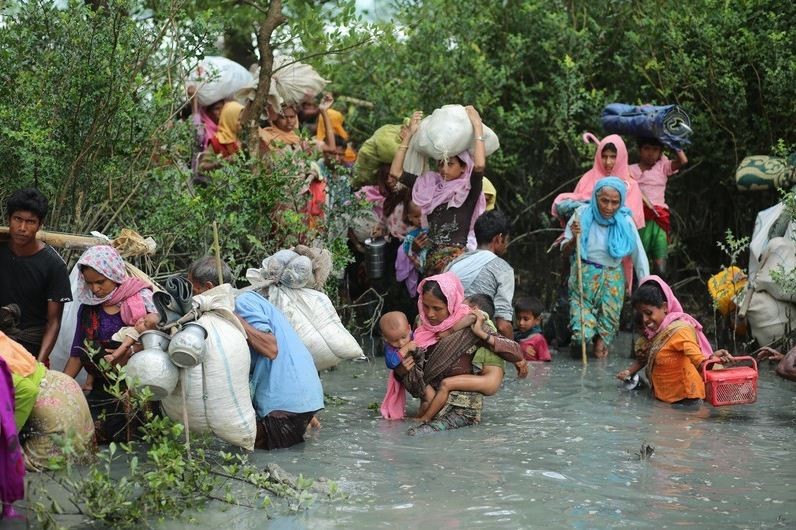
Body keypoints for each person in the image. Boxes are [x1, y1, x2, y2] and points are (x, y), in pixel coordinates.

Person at [187, 257, 324, 450]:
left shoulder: (240, 303)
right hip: (299, 398)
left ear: (208, 286)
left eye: (194, 291)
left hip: (285, 403)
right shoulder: (249, 299)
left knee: (241, 449)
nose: (193, 297)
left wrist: (232, 316)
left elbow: (270, 347)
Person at [63, 245, 159, 442]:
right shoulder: (88, 309)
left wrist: (132, 348)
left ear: (114, 274)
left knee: (138, 443)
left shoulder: (141, 300)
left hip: (139, 390)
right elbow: (77, 353)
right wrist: (59, 386)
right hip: (103, 388)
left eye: (100, 282)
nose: (95, 289)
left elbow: (158, 345)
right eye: (89, 283)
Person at [391, 107, 487, 275]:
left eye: (450, 164)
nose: (443, 169)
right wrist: (408, 137)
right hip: (430, 263)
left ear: (464, 166)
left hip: (456, 266)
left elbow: (479, 165)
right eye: (441, 163)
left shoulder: (468, 190)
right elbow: (396, 173)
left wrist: (477, 127)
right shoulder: (430, 186)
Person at [560, 177, 649, 358]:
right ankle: (578, 353)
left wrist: (646, 284)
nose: (609, 207)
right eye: (604, 201)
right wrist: (574, 239)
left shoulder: (625, 221)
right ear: (595, 197)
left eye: (615, 202)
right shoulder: (581, 215)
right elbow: (564, 250)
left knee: (603, 341)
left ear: (621, 201)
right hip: (583, 278)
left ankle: (598, 378)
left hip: (613, 280)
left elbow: (639, 255)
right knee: (582, 335)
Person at [616, 276, 732, 404]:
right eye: (641, 314)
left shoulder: (680, 330)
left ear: (665, 307)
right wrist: (628, 372)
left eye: (648, 313)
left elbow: (698, 361)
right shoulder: (655, 334)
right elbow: (645, 359)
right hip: (666, 404)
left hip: (686, 404)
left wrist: (713, 361)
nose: (644, 320)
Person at [0, 188, 72, 365]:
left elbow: (53, 322)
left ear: (40, 224)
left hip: (29, 350)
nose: (22, 228)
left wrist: (39, 363)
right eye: (18, 219)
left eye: (30, 222)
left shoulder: (54, 266)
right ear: (8, 219)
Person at [551, 133, 645, 230]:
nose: (608, 162)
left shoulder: (631, 185)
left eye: (613, 157)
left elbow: (633, 222)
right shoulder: (587, 178)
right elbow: (574, 217)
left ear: (622, 157)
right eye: (604, 156)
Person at [446, 209, 515, 338]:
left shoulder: (455, 262)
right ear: (499, 239)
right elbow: (503, 325)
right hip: (474, 338)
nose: (507, 244)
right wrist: (515, 354)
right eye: (507, 239)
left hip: (444, 333)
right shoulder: (503, 269)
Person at [630, 137, 689, 276]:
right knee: (638, 264)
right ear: (639, 150)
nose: (650, 153)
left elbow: (683, 161)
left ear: (660, 152)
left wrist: (673, 140)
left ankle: (660, 295)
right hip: (640, 220)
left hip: (660, 218)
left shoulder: (662, 167)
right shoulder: (629, 170)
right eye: (646, 149)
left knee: (661, 267)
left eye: (655, 149)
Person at [395, 200, 428, 297]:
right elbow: (406, 250)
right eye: (416, 216)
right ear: (409, 217)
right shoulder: (411, 235)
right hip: (419, 266)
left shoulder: (431, 229)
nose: (420, 219)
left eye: (423, 215)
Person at [514, 296, 551, 362]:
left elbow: (546, 362)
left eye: (526, 319)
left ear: (537, 320)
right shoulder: (517, 336)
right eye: (518, 318)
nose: (521, 323)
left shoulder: (538, 339)